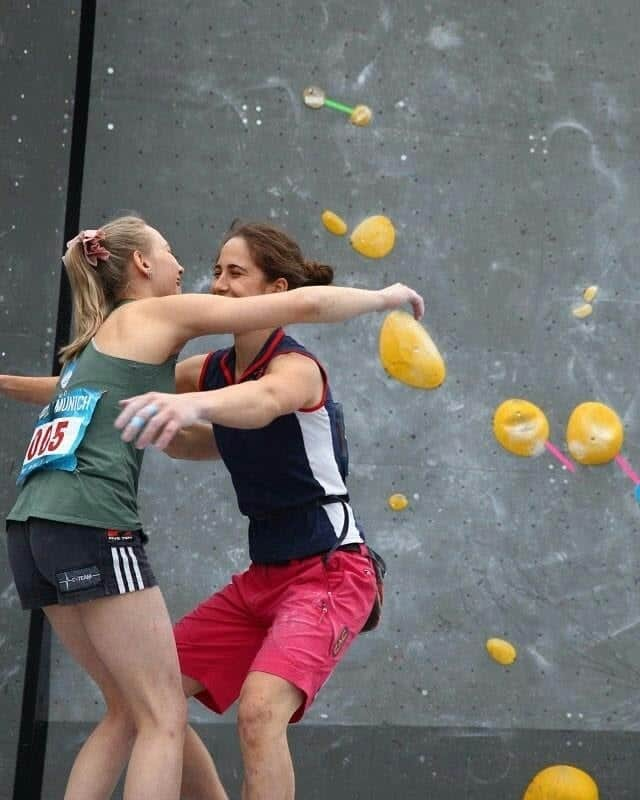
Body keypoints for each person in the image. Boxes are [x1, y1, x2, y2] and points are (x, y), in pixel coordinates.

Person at [1, 215, 423, 800]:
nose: (218, 284)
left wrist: (196, 410)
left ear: (278, 293)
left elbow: (265, 400)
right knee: (158, 698)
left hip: (330, 571)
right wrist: (7, 383)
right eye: (215, 271)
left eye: (235, 273)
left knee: (255, 712)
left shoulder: (294, 368)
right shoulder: (209, 369)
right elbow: (94, 385)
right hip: (263, 578)